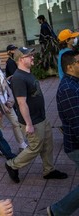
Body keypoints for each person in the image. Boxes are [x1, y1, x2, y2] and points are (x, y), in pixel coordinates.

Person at [5, 47, 68, 183]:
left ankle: (48, 170)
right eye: (29, 56)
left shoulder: (27, 73)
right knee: (35, 148)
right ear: (21, 59)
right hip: (32, 121)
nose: (33, 57)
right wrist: (28, 124)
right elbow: (21, 103)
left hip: (41, 117)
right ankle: (12, 165)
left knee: (47, 145)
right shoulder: (19, 78)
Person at [47, 50, 79, 216]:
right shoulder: (68, 89)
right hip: (75, 145)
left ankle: (57, 211)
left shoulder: (75, 83)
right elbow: (77, 122)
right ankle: (57, 210)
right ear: (70, 67)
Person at [0, 50, 27, 153]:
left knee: (16, 122)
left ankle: (22, 144)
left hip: (7, 101)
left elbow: (6, 85)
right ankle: (0, 148)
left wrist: (10, 98)